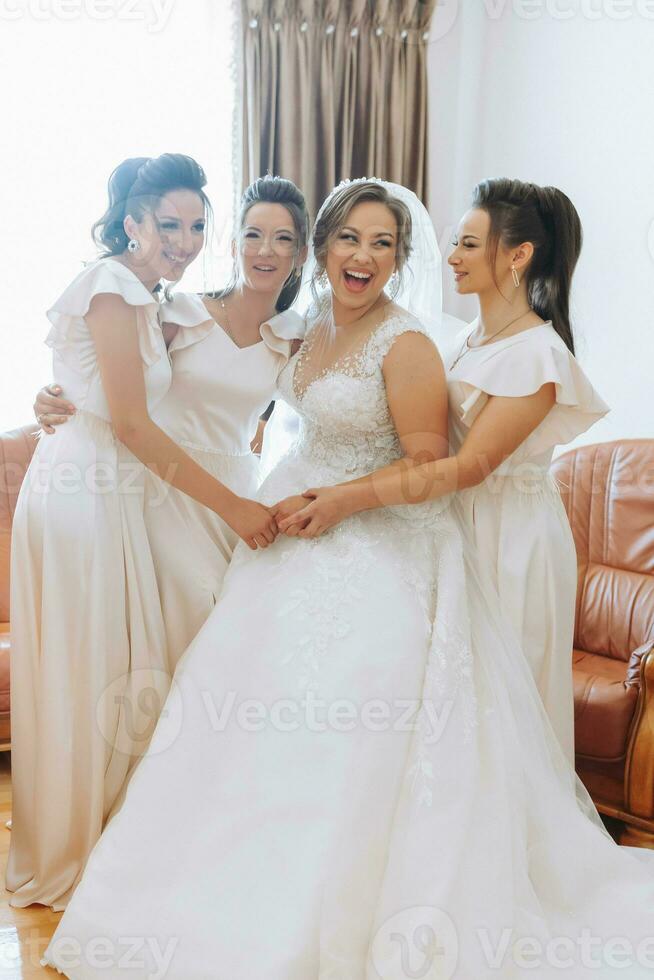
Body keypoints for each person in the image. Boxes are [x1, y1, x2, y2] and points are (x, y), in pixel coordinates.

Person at [42, 180, 654, 980]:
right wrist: (74, 398)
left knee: (350, 715)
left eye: (383, 244)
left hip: (380, 540)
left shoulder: (408, 345)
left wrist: (339, 503)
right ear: (320, 249)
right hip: (291, 527)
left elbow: (432, 462)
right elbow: (194, 381)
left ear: (400, 261)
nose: (362, 256)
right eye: (348, 240)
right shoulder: (308, 329)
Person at [7, 154, 277, 911]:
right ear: (132, 221)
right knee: (87, 670)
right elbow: (128, 422)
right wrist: (234, 507)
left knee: (107, 673)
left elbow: (95, 390)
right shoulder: (114, 284)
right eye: (169, 224)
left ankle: (106, 842)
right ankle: (73, 854)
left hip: (105, 485)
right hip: (85, 492)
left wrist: (56, 402)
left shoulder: (148, 294)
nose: (185, 241)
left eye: (196, 226)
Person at [279, 177, 609, 761]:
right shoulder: (470, 339)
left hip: (508, 536)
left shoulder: (537, 354)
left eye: (468, 244)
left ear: (518, 255)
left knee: (501, 708)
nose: (450, 256)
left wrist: (341, 498)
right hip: (450, 523)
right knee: (449, 705)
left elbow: (466, 467)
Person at [35, 174, 310, 664]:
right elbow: (110, 387)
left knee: (239, 639)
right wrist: (52, 398)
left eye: (283, 237)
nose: (265, 250)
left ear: (302, 253)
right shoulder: (178, 313)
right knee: (185, 621)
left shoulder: (296, 340)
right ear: (232, 244)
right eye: (253, 234)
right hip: (162, 490)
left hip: (239, 492)